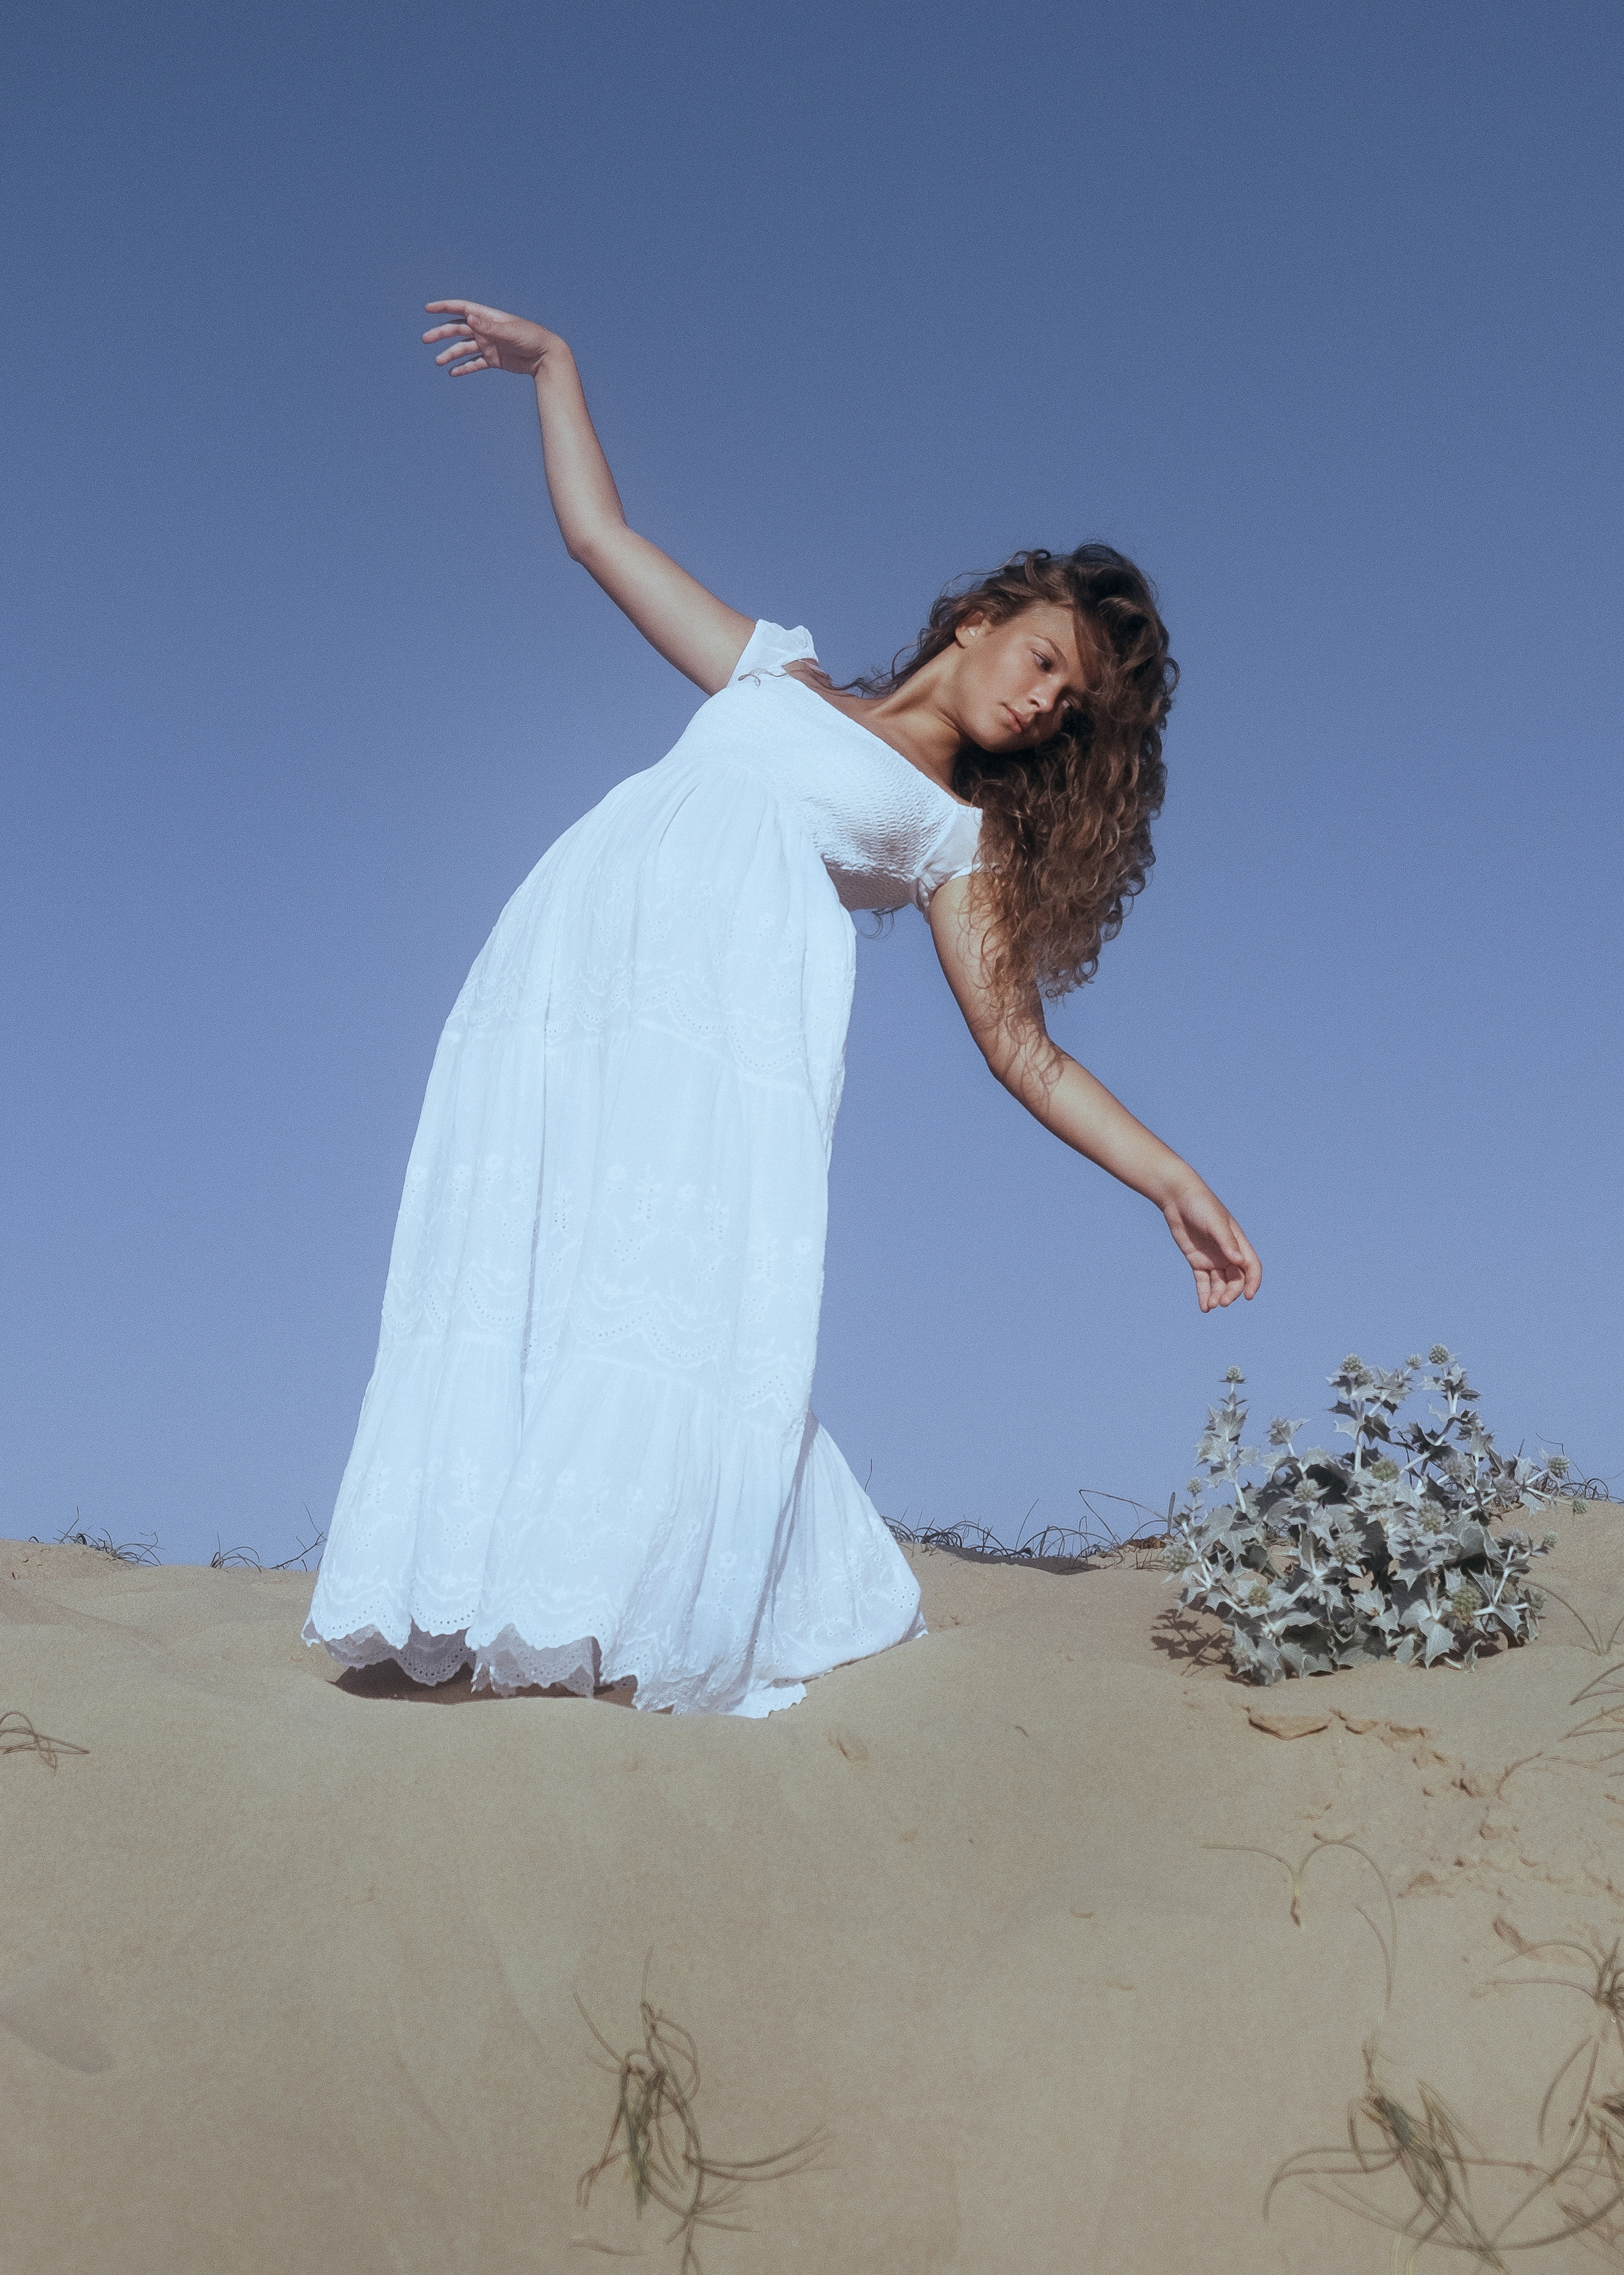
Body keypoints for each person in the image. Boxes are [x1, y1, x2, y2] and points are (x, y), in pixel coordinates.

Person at [302, 298, 1261, 1717]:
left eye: (1075, 706)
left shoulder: (950, 837)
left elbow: (1019, 1049)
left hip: (718, 1027)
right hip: (572, 960)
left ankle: (594, 1615)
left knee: (657, 1277)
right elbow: (600, 540)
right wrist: (556, 366)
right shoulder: (773, 667)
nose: (1050, 702)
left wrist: (1168, 1178)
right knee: (528, 1242)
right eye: (1048, 660)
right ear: (984, 618)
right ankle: (474, 1583)